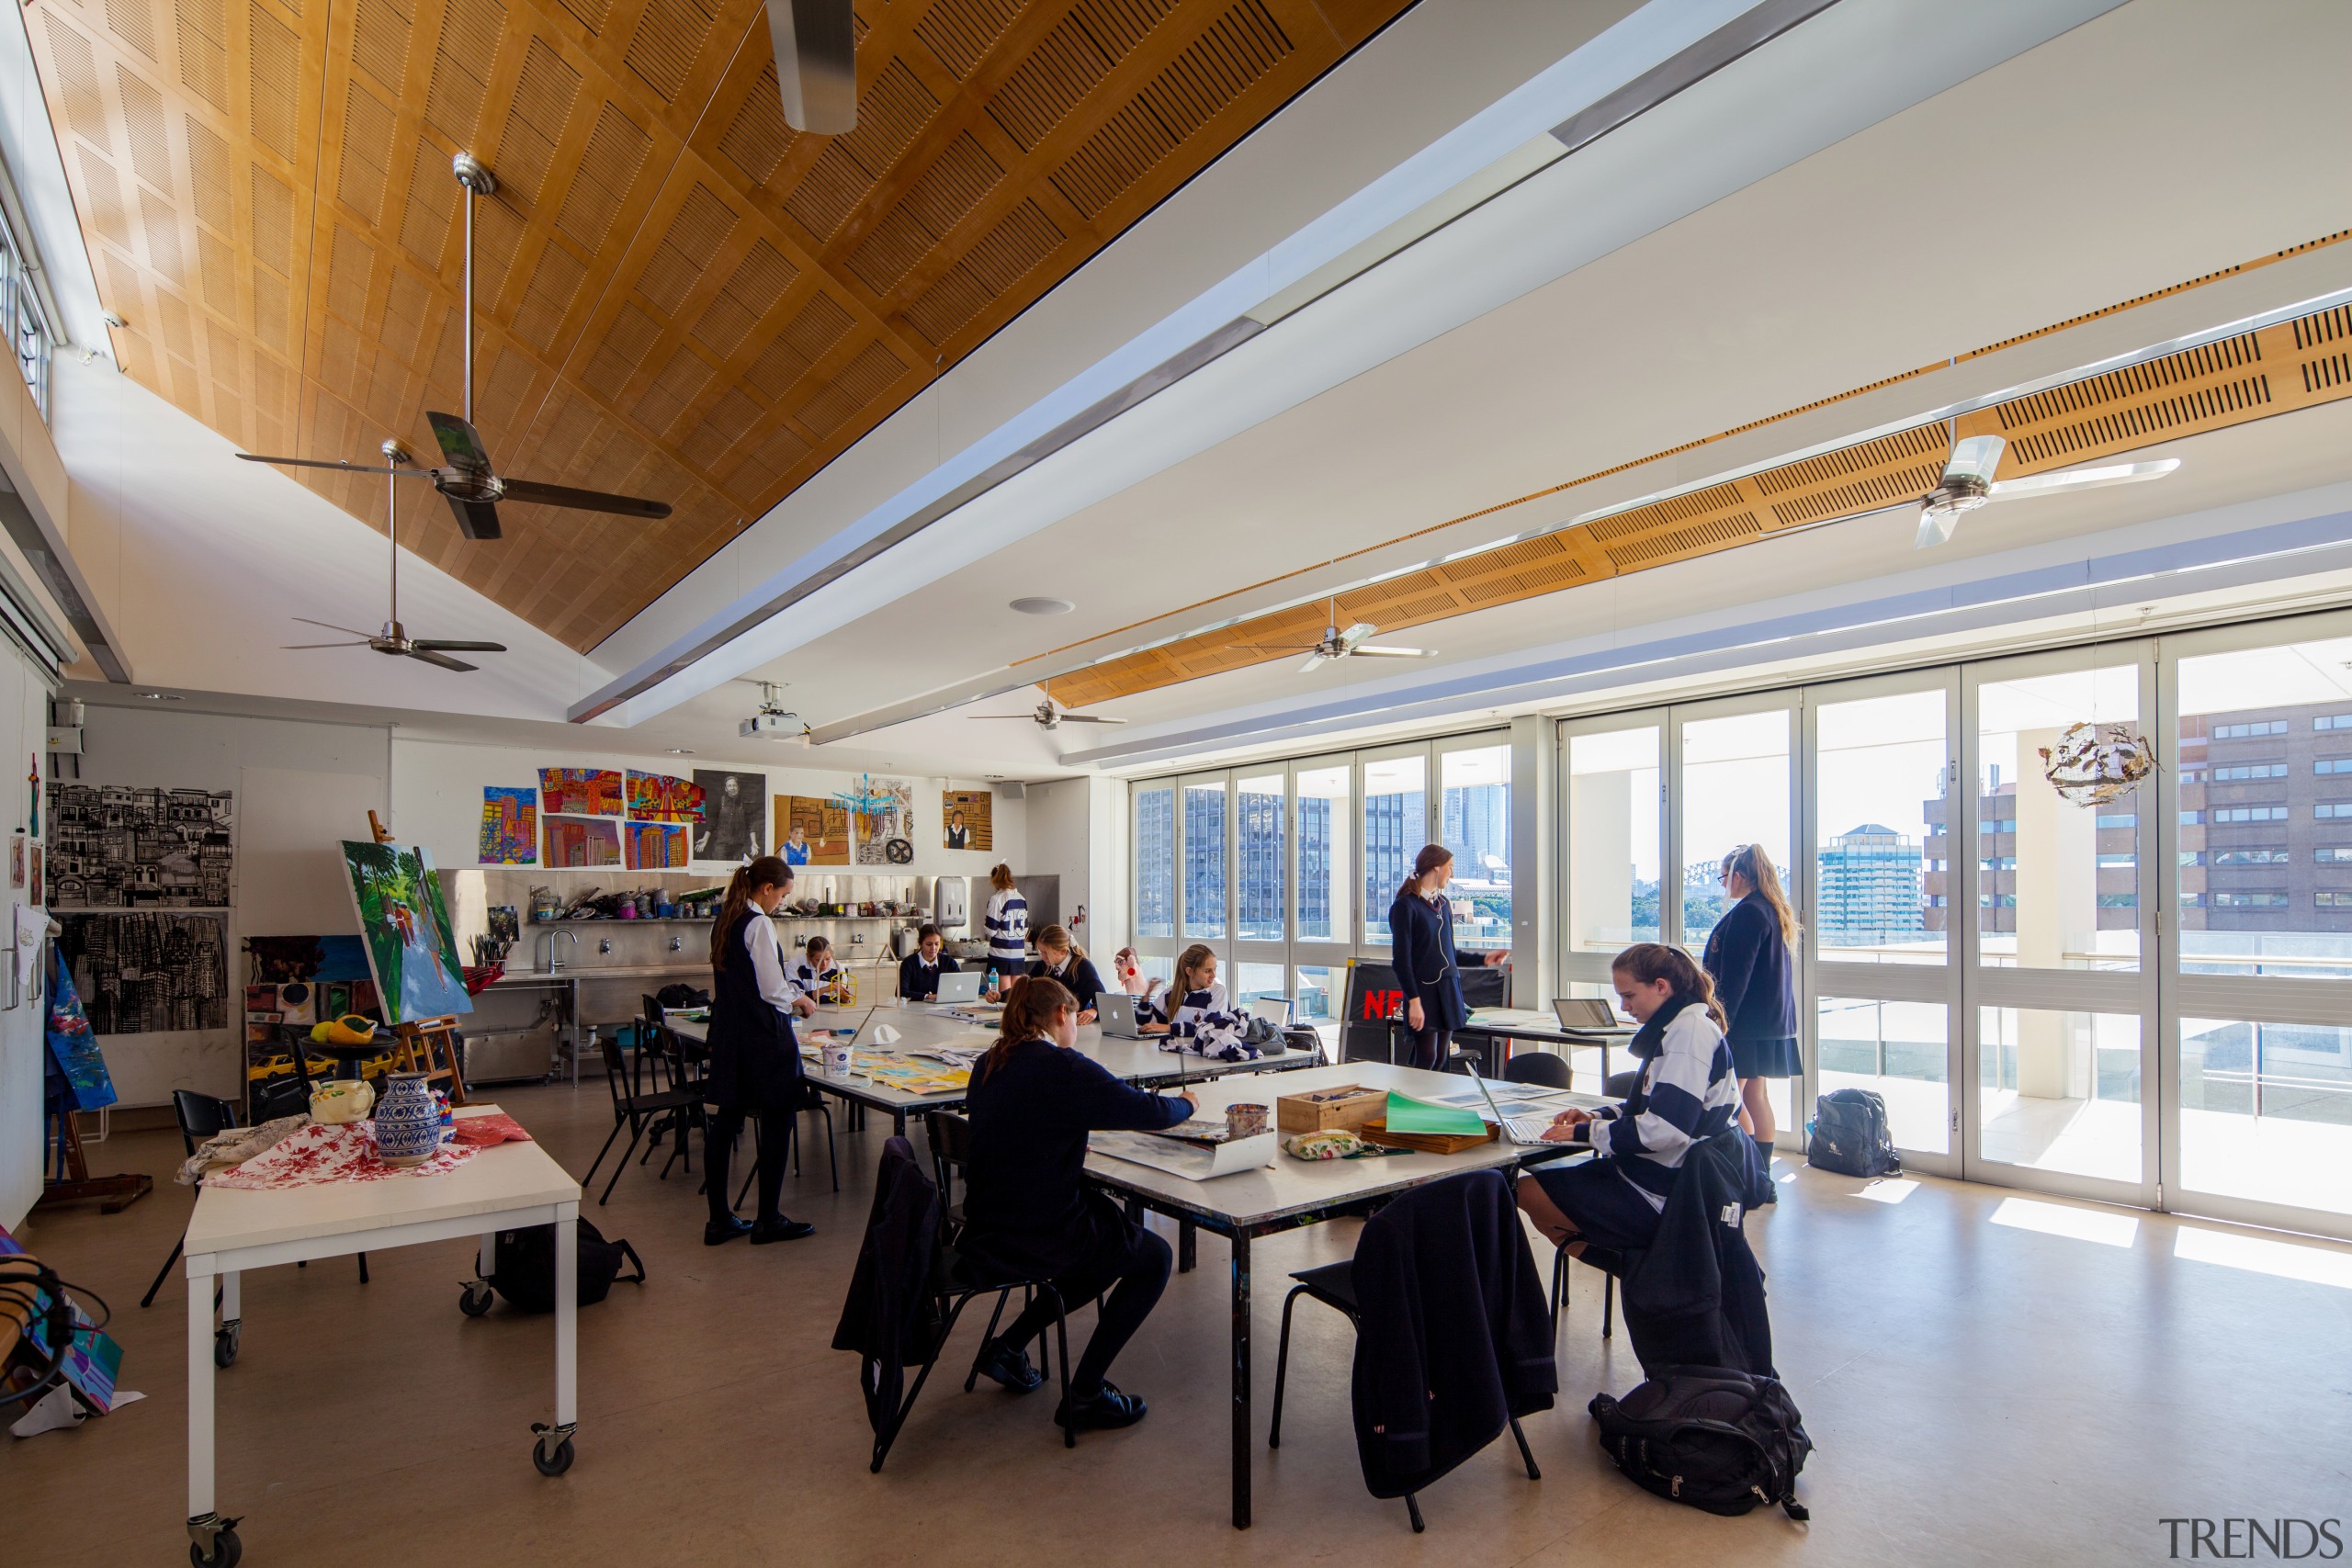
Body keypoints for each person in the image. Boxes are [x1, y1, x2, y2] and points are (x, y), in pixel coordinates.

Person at [961, 976, 1195, 1431]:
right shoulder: (1063, 1067)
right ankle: (1086, 1390)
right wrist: (1185, 1103)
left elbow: (1020, 1125)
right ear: (1062, 1016)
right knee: (1153, 1256)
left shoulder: (989, 1061)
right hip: (1037, 1230)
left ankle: (1009, 1346)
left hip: (987, 1224)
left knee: (1110, 1245)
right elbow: (1144, 1111)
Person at [1515, 942, 1740, 1269]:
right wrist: (1596, 1115)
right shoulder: (1679, 1026)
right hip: (1655, 1173)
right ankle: (1643, 1269)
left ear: (1661, 987)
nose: (1624, 1007)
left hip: (1667, 1192)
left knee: (1527, 1192)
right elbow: (1651, 1104)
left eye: (1630, 996)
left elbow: (1666, 1130)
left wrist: (1584, 1131)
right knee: (1530, 1193)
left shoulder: (1688, 1034)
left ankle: (1647, 1271)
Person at [702, 856, 819, 1247]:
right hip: (764, 1037)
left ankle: (719, 1220)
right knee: (777, 1123)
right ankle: (768, 1218)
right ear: (766, 888)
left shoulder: (726, 919)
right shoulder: (759, 924)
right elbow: (772, 988)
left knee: (726, 1123)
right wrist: (800, 998)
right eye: (783, 894)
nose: (782, 902)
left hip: (732, 1035)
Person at [1702, 843, 1802, 1172]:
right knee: (1756, 1096)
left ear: (1740, 876)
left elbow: (1736, 976)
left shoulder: (1748, 912)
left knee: (1734, 1099)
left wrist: (1719, 1018)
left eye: (1724, 877)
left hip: (1744, 1024)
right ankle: (1761, 1175)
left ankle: (1744, 1173)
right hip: (1768, 1023)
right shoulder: (1771, 909)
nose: (1723, 885)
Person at [1388, 844, 1467, 1072]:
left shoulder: (1444, 905)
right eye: (1449, 868)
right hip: (1424, 993)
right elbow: (1401, 961)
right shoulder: (1405, 906)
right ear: (1436, 867)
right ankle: (1412, 1103)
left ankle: (1435, 1105)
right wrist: (1413, 1001)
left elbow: (1451, 953)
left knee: (1442, 1058)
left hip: (1448, 989)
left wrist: (1484, 959)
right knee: (1427, 1057)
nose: (1451, 874)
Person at [1136, 942, 1241, 1049]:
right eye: (1208, 971)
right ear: (1190, 971)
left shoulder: (1218, 992)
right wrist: (1146, 996)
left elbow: (1209, 1029)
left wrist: (1170, 1028)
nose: (1213, 975)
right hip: (1178, 1052)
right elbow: (1147, 1025)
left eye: (1214, 969)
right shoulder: (1173, 992)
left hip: (1204, 1055)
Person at [1026, 925, 1104, 1021]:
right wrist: (1002, 995)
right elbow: (1024, 987)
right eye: (1041, 952)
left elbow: (1103, 999)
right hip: (1048, 1023)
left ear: (1063, 952)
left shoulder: (1084, 967)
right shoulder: (1042, 966)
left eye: (1047, 953)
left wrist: (1094, 1010)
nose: (1043, 957)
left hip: (1077, 1026)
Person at [982, 863, 1027, 993]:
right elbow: (1025, 929)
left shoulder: (997, 899)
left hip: (1001, 953)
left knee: (1002, 997)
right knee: (1016, 997)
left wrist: (985, 924)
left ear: (993, 880)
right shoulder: (1021, 898)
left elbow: (991, 930)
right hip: (1018, 952)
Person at [898, 923, 960, 1001]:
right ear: (920, 943)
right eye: (929, 944)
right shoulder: (908, 963)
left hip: (944, 1008)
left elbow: (961, 985)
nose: (933, 948)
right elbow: (901, 993)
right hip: (914, 1010)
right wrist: (928, 996)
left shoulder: (949, 962)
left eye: (937, 944)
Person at [790, 934, 841, 1007]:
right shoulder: (795, 965)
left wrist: (845, 995)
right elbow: (795, 998)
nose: (824, 964)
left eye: (828, 959)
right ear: (808, 957)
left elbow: (843, 1000)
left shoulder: (837, 968)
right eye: (818, 960)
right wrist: (823, 990)